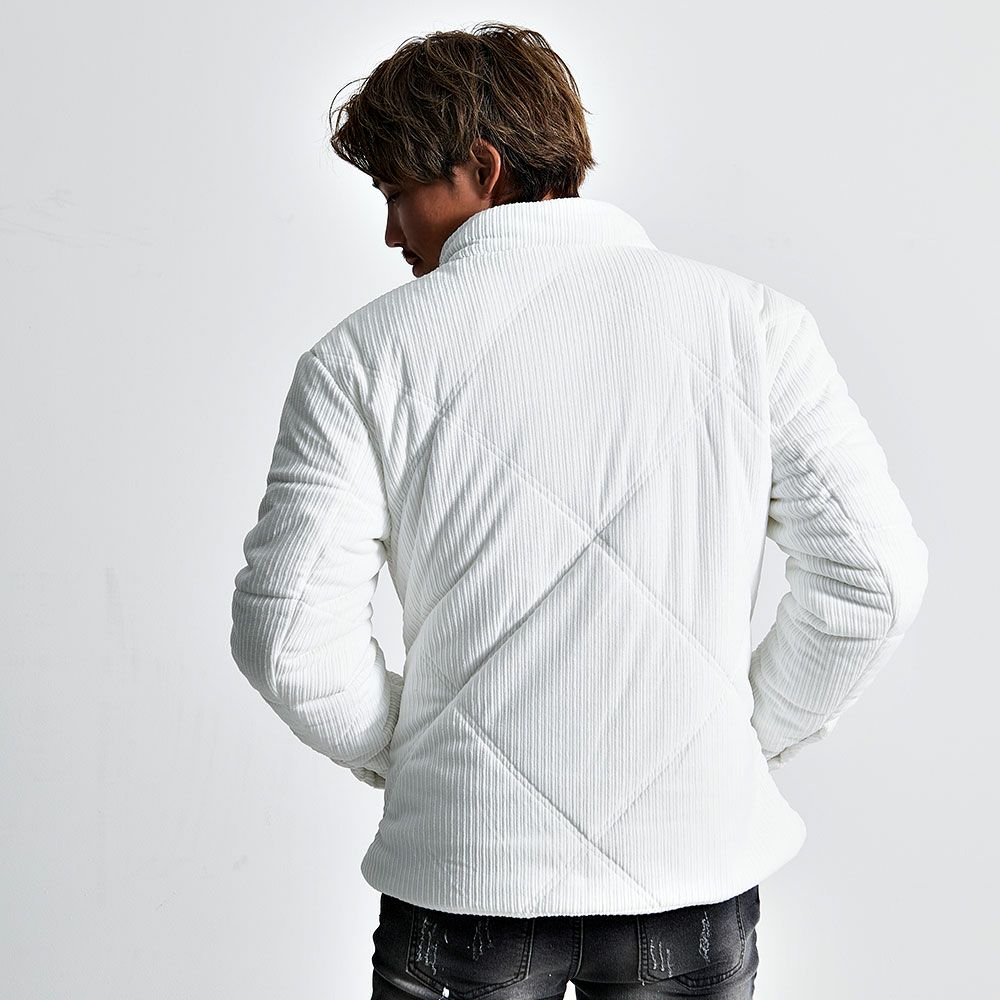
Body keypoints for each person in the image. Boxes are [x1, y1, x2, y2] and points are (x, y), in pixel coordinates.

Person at [229, 21, 929, 1000]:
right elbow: (876, 580)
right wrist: (733, 741)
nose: (391, 233)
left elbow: (285, 638)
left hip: (464, 876)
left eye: (396, 193)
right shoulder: (754, 328)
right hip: (692, 874)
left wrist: (420, 754)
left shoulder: (360, 358)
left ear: (481, 169)